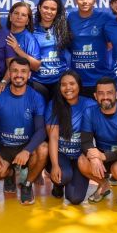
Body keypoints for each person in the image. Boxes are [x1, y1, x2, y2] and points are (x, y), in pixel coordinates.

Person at [0, 57, 48, 204]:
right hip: (5, 146)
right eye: (14, 71)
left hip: (26, 147)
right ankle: (10, 172)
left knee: (44, 149)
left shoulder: (37, 98)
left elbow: (41, 130)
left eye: (23, 71)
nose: (18, 75)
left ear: (29, 75)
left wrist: (27, 150)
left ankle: (27, 185)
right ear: (9, 73)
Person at [79, 77, 117, 203]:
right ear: (95, 96)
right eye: (101, 93)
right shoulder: (90, 112)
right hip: (101, 155)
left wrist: (104, 157)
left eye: (109, 93)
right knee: (82, 161)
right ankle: (103, 184)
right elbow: (86, 141)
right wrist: (94, 157)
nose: (105, 97)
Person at [45, 70, 98, 204]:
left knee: (75, 198)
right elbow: (53, 138)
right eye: (64, 84)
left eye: (72, 84)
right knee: (63, 176)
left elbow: (108, 109)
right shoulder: (54, 104)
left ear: (79, 86)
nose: (68, 88)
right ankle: (58, 185)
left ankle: (71, 180)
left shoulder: (90, 104)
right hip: (61, 154)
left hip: (80, 157)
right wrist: (55, 165)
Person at [67, 0, 114, 98]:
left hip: (100, 80)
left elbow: (115, 39)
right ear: (75, 0)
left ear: (94, 0)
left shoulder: (105, 18)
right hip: (77, 81)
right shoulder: (70, 18)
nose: (85, 1)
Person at [32, 0, 72, 101]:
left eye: (53, 9)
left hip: (59, 82)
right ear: (39, 8)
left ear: (57, 11)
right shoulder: (30, 29)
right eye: (45, 7)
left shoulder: (64, 29)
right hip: (37, 82)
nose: (49, 12)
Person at [6, 0, 41, 73]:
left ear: (27, 21)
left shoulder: (30, 39)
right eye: (16, 13)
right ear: (10, 17)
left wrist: (17, 49)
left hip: (21, 81)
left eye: (23, 15)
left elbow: (36, 66)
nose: (19, 17)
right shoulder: (2, 34)